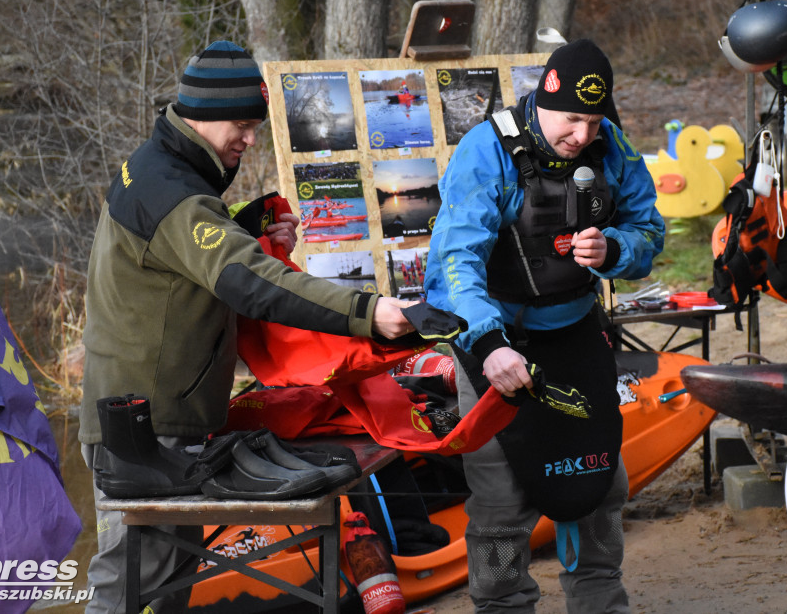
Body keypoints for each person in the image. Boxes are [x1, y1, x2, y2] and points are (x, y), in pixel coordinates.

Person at [78, 40, 416, 613]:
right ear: (202, 116)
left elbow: (181, 256)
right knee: (127, 584)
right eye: (242, 124)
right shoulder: (174, 192)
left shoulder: (166, 167)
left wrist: (247, 221)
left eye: (255, 124)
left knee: (167, 580)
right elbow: (247, 280)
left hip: (153, 414)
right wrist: (366, 313)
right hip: (142, 426)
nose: (251, 138)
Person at [423, 38, 665, 613]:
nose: (582, 136)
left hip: (576, 331)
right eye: (572, 120)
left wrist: (614, 249)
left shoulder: (611, 150)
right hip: (495, 339)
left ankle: (600, 602)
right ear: (543, 100)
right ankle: (503, 605)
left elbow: (650, 232)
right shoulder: (488, 151)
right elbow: (455, 264)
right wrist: (487, 345)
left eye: (594, 121)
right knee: (502, 499)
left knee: (599, 483)